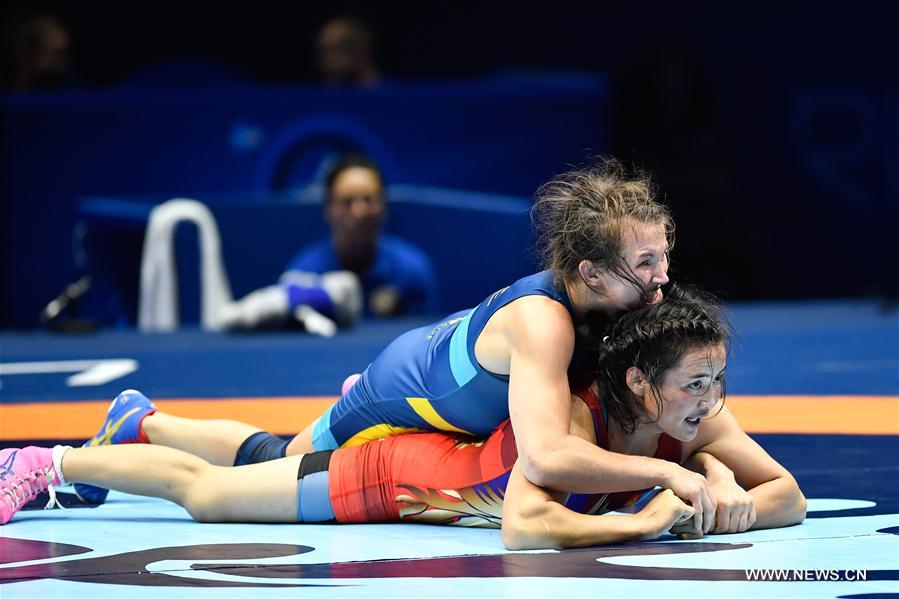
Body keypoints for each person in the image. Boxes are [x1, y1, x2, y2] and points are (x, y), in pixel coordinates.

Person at [77, 158, 722, 528]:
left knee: (278, 457)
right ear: (591, 273)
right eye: (645, 263)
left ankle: (142, 424)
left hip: (446, 399)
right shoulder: (544, 323)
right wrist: (670, 472)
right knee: (277, 458)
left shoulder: (617, 302)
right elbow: (547, 457)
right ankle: (147, 424)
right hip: (399, 391)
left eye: (663, 256)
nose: (662, 277)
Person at [0, 287, 807, 548]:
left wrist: (723, 497)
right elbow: (523, 523)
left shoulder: (694, 421)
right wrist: (646, 518)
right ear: (638, 380)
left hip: (431, 459)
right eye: (695, 382)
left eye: (717, 381)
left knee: (268, 450)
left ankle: (141, 420)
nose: (711, 399)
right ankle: (48, 463)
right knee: (209, 495)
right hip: (388, 475)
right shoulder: (569, 415)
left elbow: (789, 495)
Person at [282, 153, 439, 317]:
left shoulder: (412, 270)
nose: (359, 211)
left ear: (384, 206)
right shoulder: (304, 276)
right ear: (328, 209)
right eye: (347, 201)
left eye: (368, 199)